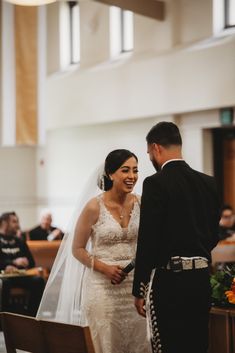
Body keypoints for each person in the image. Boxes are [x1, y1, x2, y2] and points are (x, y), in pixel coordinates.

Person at [37, 149, 151, 353]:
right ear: (110, 173)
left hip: (134, 288)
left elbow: (149, 243)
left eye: (135, 170)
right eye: (125, 170)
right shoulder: (93, 207)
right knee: (106, 343)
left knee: (139, 343)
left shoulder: (142, 203)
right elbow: (77, 249)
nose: (132, 176)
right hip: (102, 287)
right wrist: (104, 268)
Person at [133, 122, 220, 353]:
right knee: (197, 345)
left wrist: (139, 289)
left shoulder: (155, 183)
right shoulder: (208, 182)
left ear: (155, 148)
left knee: (170, 347)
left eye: (149, 153)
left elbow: (148, 239)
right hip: (201, 280)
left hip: (171, 282)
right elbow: (213, 235)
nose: (151, 157)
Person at [0, 212, 45, 316]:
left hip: (19, 275)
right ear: (4, 223)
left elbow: (32, 263)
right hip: (3, 277)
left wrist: (26, 262)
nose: (17, 225)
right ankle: (4, 320)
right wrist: (10, 263)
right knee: (4, 283)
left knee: (38, 281)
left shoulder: (19, 241)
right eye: (14, 222)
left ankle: (31, 316)